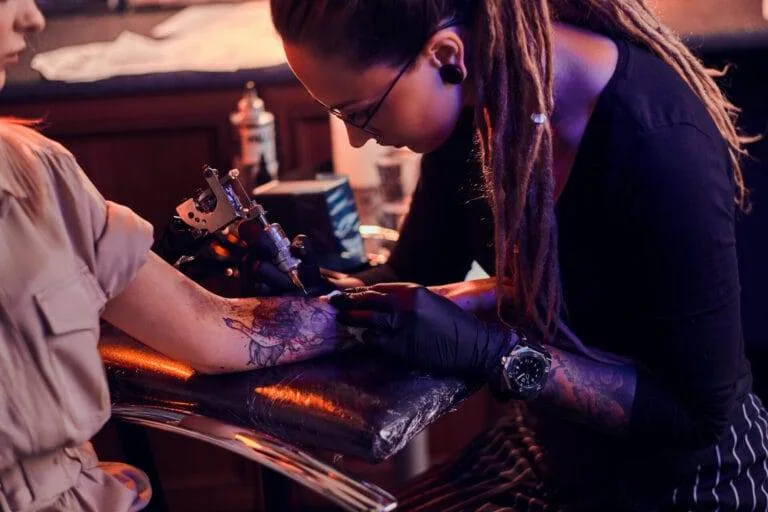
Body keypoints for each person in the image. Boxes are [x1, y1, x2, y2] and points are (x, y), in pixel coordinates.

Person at [268, 0, 768, 510]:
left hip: (688, 482)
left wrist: (493, 353)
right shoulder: (475, 98)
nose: (354, 139)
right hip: (552, 451)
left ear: (446, 55)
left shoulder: (655, 142)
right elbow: (416, 272)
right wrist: (307, 289)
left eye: (360, 112)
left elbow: (696, 415)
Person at [0, 2, 361, 510]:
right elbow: (215, 333)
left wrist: (365, 311)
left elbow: (213, 328)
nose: (32, 18)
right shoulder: (30, 170)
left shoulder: (33, 173)